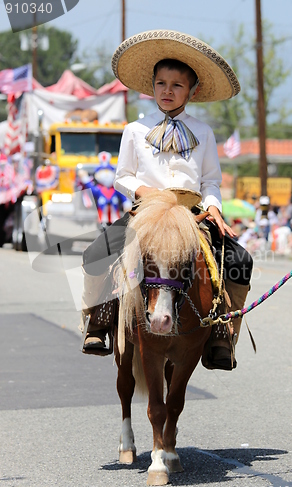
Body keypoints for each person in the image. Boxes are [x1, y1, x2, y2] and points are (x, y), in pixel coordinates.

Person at [80, 30, 253, 370]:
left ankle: (221, 333)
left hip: (191, 216)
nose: (167, 91)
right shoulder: (134, 130)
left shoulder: (203, 132)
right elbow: (122, 177)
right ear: (152, 87)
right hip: (147, 213)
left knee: (240, 260)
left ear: (193, 91)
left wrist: (214, 208)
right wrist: (146, 193)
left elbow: (211, 180)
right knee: (97, 252)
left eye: (177, 85)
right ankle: (99, 321)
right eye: (161, 84)